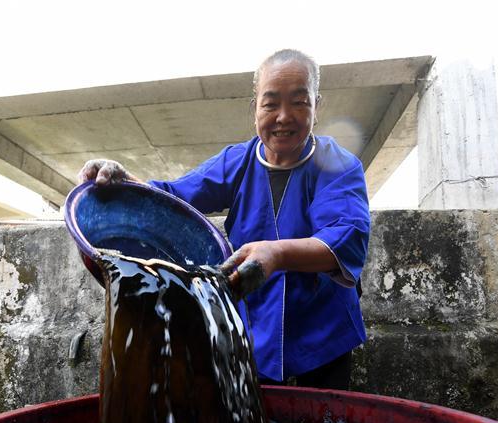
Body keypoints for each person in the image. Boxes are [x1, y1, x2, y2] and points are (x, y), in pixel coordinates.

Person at [78, 49, 370, 390]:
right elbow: (174, 198)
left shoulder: (338, 165)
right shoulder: (237, 161)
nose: (284, 116)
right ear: (255, 108)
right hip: (254, 328)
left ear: (316, 106)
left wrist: (276, 254)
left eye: (299, 102)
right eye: (271, 103)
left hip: (323, 333)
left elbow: (345, 236)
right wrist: (124, 183)